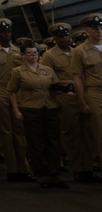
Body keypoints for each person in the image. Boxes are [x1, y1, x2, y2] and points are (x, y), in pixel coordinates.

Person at [42, 22, 99, 182]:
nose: (64, 38)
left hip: (83, 96)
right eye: (60, 36)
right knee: (72, 135)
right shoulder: (50, 55)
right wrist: (56, 98)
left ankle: (88, 167)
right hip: (65, 98)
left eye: (66, 35)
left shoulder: (78, 52)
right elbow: (47, 79)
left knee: (87, 134)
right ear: (55, 38)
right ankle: (77, 169)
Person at [7, 39, 67, 188]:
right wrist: (16, 110)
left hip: (50, 107)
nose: (33, 56)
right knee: (37, 143)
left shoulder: (47, 70)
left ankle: (55, 174)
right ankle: (42, 175)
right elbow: (12, 92)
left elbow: (55, 87)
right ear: (22, 55)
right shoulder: (18, 71)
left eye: (35, 53)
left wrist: (65, 91)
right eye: (30, 53)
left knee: (53, 141)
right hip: (31, 109)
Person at [0, 18, 33, 182]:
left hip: (17, 91)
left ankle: (24, 167)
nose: (6, 33)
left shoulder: (17, 51)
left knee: (20, 130)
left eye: (8, 30)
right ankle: (12, 169)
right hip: (0, 89)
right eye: (2, 30)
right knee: (6, 131)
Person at [71, 12, 102, 171]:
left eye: (100, 27)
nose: (99, 31)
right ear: (86, 29)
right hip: (95, 93)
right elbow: (78, 77)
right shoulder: (80, 51)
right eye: (94, 28)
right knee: (100, 131)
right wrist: (82, 101)